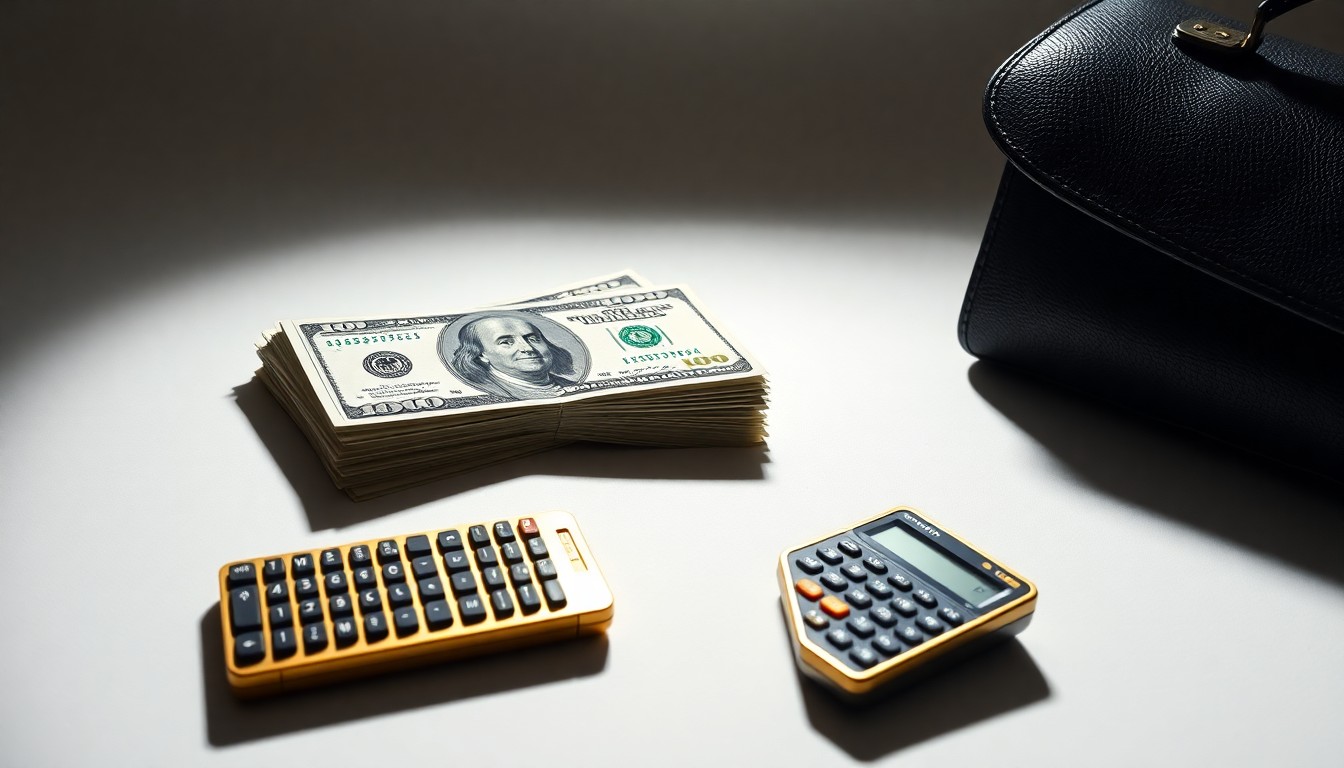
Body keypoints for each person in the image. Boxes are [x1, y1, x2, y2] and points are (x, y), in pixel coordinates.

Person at [448, 315, 580, 400]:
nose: (528, 348)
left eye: (533, 339)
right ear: (481, 354)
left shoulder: (572, 385)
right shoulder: (487, 392)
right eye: (506, 342)